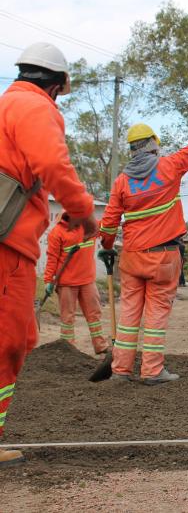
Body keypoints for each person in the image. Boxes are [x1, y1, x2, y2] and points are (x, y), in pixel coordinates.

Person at [0, 42, 97, 467]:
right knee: (8, 343)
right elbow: (54, 166)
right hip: (8, 248)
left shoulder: (6, 104)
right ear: (58, 86)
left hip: (11, 247)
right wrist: (83, 212)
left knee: (21, 335)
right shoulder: (35, 109)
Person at [99, 100, 188, 385]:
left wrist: (107, 247)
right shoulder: (169, 167)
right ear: (154, 145)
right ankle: (152, 371)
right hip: (163, 258)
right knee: (156, 314)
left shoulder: (121, 182)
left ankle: (120, 370)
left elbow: (108, 223)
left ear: (132, 150)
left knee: (130, 313)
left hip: (131, 258)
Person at [44, 212, 108, 354]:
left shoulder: (90, 227)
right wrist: (48, 281)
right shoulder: (57, 233)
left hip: (87, 280)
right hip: (66, 283)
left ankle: (101, 347)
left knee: (94, 314)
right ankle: (68, 350)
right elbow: (52, 259)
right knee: (67, 317)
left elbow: (107, 224)